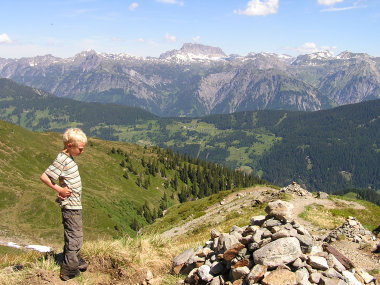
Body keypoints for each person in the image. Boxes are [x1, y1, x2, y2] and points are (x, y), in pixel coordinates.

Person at [40, 128, 88, 281]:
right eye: (80, 148)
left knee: (76, 235)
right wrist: (59, 189)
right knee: (74, 236)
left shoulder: (68, 158)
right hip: (70, 206)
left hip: (75, 204)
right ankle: (68, 270)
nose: (82, 151)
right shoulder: (61, 158)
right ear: (69, 145)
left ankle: (75, 259)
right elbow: (45, 176)